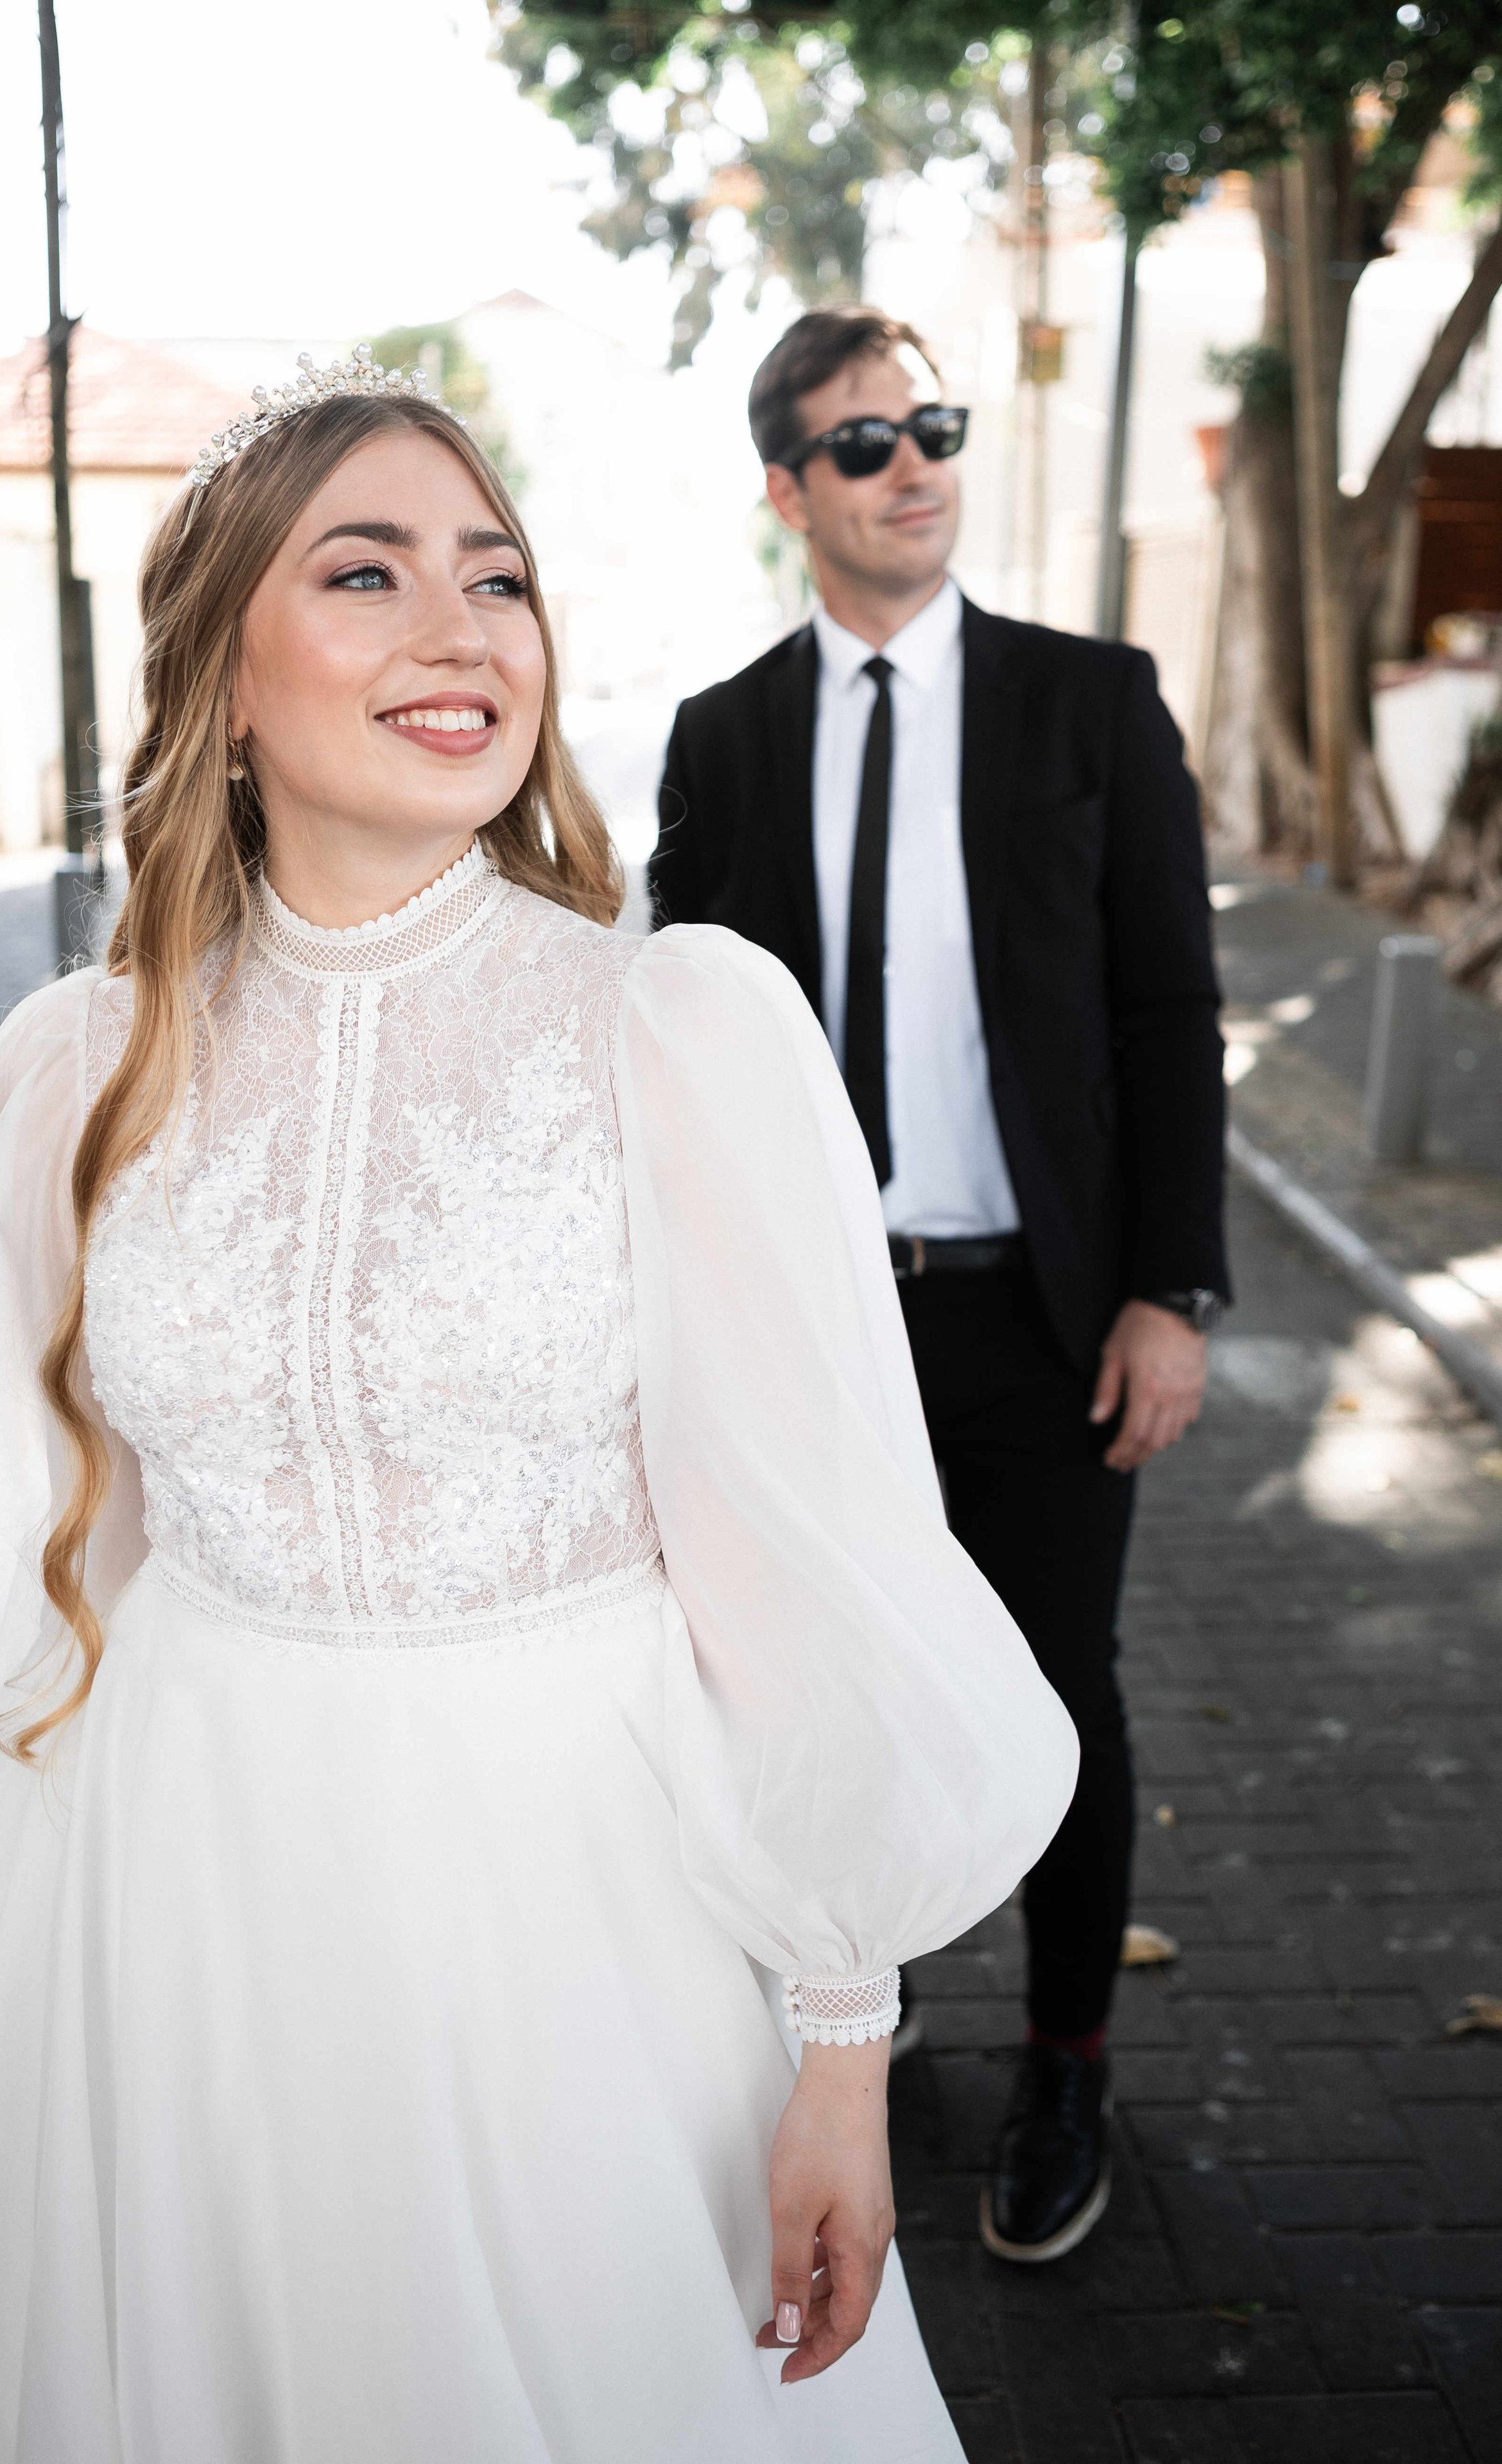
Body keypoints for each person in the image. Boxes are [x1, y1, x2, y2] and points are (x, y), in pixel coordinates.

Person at [0, 350, 1077, 2462]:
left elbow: (803, 1561)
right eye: (367, 575)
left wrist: (839, 2036)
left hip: (575, 1919)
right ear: (222, 679)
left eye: (496, 579)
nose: (460, 635)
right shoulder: (76, 1060)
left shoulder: (674, 1025)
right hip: (156, 1905)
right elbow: (55, 1523)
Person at [650, 307, 1229, 2268]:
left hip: (1042, 1317)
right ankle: (847, 2044)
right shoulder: (723, 739)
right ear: (789, 487)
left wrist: (1175, 1291)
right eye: (865, 441)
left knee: (1062, 1698)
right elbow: (679, 1044)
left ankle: (1066, 2063)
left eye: (934, 430)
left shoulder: (1094, 699)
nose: (914, 466)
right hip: (814, 1328)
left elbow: (1169, 1006)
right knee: (793, 1693)